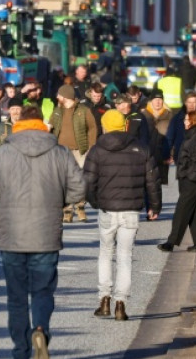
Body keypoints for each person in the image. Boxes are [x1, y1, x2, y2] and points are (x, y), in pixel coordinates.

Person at [0, 105, 86, 359]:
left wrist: (2, 199)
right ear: (42, 123)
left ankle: (21, 350)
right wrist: (59, 201)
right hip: (46, 232)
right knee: (42, 290)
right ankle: (40, 329)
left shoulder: (3, 152)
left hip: (12, 234)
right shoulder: (59, 152)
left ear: (19, 124)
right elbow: (79, 189)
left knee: (16, 297)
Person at [83, 109, 161, 322]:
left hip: (107, 208)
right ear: (125, 125)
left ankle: (104, 299)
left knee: (106, 253)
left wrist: (96, 202)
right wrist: (155, 206)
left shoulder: (97, 150)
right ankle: (121, 304)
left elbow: (88, 182)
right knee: (125, 256)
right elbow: (152, 180)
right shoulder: (140, 148)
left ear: (104, 126)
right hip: (131, 210)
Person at [159, 109, 196, 252]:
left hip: (192, 180)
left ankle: (171, 242)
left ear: (194, 121)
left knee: (181, 210)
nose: (184, 122)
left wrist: (191, 177)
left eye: (187, 120)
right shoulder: (192, 134)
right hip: (188, 178)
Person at [50, 84, 98, 222]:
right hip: (61, 151)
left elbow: (92, 128)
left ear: (65, 96)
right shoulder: (57, 111)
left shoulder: (83, 110)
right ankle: (67, 210)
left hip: (80, 150)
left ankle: (80, 207)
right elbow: (50, 127)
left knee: (79, 180)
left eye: (59, 95)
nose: (57, 97)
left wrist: (91, 147)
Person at [166, 90, 196, 163]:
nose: (191, 105)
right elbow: (169, 138)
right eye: (189, 102)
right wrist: (167, 154)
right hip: (180, 157)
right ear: (185, 103)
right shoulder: (176, 119)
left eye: (194, 102)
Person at [142, 90, 173, 186]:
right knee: (145, 184)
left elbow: (173, 137)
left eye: (160, 99)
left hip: (162, 155)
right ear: (151, 101)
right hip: (146, 155)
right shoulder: (143, 115)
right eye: (155, 99)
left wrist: (172, 154)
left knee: (157, 185)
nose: (158, 102)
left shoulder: (169, 115)